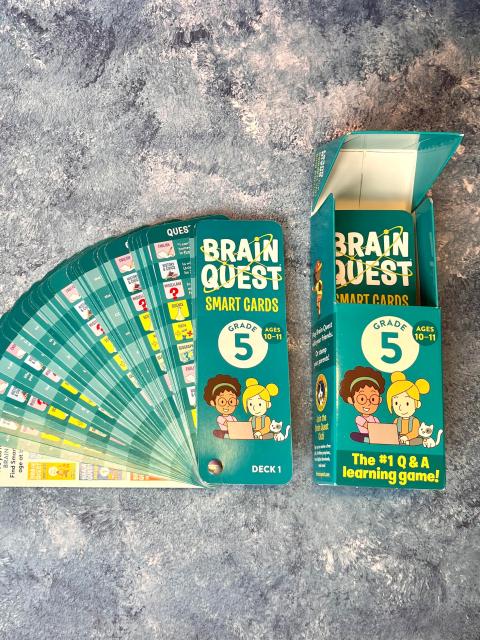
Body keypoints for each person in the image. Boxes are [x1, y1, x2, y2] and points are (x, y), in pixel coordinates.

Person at [339, 366, 386, 443]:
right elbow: (367, 425)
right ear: (351, 400)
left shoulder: (375, 419)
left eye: (373, 399)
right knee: (354, 435)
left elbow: (378, 429)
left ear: (379, 400)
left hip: (375, 435)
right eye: (362, 399)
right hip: (365, 435)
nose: (368, 403)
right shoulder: (359, 418)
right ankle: (368, 440)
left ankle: (373, 440)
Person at [386, 372, 430, 445]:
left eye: (407, 403)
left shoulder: (415, 421)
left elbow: (415, 432)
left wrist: (406, 437)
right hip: (399, 440)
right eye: (396, 403)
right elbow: (393, 431)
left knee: (418, 440)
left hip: (411, 440)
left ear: (417, 404)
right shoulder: (396, 421)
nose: (400, 408)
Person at [203, 374, 241, 439]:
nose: (227, 405)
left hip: (233, 432)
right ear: (213, 402)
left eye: (231, 401)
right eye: (222, 402)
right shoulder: (220, 418)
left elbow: (236, 427)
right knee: (216, 432)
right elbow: (227, 424)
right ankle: (226, 435)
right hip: (225, 432)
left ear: (236, 402)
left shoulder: (233, 418)